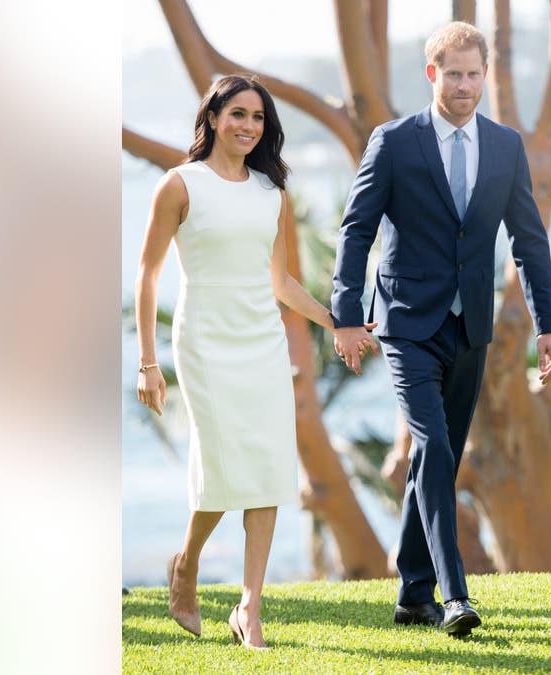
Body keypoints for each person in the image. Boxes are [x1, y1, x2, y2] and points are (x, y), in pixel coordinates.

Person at [331, 21, 551, 638]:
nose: (464, 85)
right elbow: (357, 229)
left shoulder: (506, 146)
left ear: (485, 75)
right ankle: (453, 594)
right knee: (433, 448)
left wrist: (547, 325)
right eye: (453, 74)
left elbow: (529, 240)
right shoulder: (393, 142)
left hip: (471, 326)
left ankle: (412, 596)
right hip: (406, 321)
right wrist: (346, 314)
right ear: (432, 74)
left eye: (473, 74)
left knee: (439, 457)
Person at [136, 74, 356, 650]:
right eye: (237, 113)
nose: (248, 126)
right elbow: (148, 275)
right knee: (220, 464)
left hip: (262, 342)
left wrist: (335, 322)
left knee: (267, 469)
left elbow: (280, 282)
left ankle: (249, 608)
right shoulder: (179, 185)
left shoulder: (270, 192)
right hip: (205, 342)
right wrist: (147, 363)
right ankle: (187, 565)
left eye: (258, 118)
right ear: (212, 117)